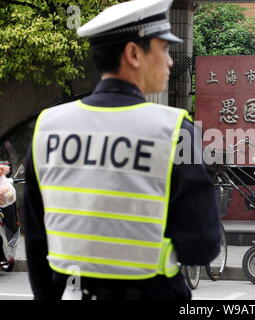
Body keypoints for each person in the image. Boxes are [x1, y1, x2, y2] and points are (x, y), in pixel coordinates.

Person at [22, 0, 220, 300]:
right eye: (164, 49)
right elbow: (202, 244)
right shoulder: (175, 129)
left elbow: (36, 238)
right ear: (133, 53)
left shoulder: (48, 126)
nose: (169, 61)